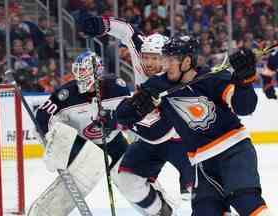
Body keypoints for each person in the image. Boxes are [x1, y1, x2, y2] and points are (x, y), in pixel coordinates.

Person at [82, 16, 235, 216]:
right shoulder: (141, 52)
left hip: (182, 141)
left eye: (155, 58)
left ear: (167, 59)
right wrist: (102, 25)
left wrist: (117, 120)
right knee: (127, 182)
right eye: (146, 57)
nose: (149, 63)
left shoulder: (176, 78)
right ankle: (161, 212)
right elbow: (127, 30)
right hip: (150, 141)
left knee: (204, 193)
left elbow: (159, 130)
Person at [115, 35, 271, 215]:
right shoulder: (158, 85)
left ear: (187, 61)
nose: (165, 64)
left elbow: (245, 107)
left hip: (234, 151)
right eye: (165, 58)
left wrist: (245, 81)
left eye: (171, 59)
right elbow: (123, 117)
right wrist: (135, 106)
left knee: (245, 201)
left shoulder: (214, 78)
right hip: (202, 163)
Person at [27, 50, 131, 215]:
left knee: (132, 176)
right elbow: (41, 117)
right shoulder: (67, 94)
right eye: (78, 70)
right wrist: (50, 144)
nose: (80, 75)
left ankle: (158, 207)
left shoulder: (116, 87)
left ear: (97, 71)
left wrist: (115, 122)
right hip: (83, 147)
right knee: (66, 138)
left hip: (113, 141)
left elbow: (129, 116)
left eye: (85, 71)